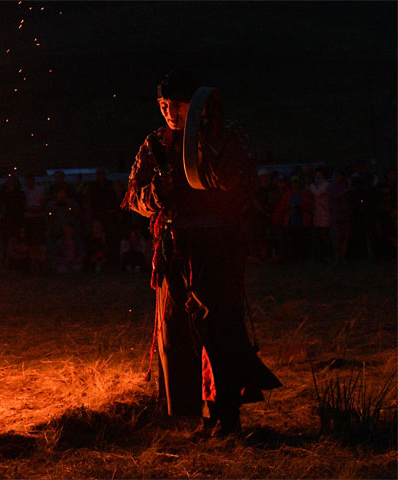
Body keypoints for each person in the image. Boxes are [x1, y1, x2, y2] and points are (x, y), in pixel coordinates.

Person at [121, 68, 281, 437]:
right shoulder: (155, 143)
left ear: (194, 105)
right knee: (178, 332)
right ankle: (198, 413)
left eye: (175, 104)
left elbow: (247, 181)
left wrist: (218, 175)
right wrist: (156, 194)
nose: (167, 111)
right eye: (162, 105)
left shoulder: (225, 135)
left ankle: (226, 412)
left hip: (217, 245)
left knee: (220, 326)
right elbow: (134, 197)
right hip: (174, 247)